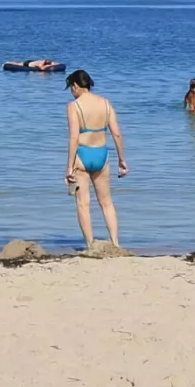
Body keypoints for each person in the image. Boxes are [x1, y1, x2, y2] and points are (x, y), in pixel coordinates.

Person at [64, 69, 127, 252]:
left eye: (71, 88)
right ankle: (115, 243)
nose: (71, 91)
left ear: (75, 86)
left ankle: (91, 245)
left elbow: (74, 137)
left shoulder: (74, 106)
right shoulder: (106, 104)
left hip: (82, 157)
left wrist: (69, 167)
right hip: (102, 154)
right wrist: (122, 159)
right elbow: (116, 133)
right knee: (106, 202)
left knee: (83, 204)